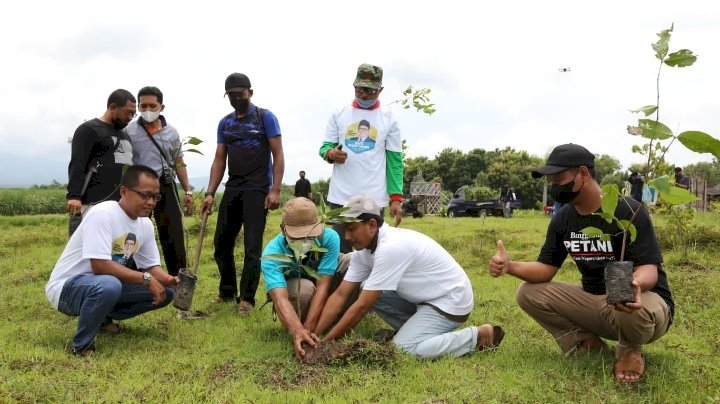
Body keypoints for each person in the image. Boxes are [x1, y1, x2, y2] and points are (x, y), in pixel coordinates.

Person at [488, 143, 674, 383]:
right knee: (528, 293)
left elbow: (649, 269)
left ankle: (630, 350)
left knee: (623, 293)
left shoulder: (628, 210)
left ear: (583, 174)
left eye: (559, 179)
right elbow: (546, 269)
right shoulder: (563, 217)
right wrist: (509, 267)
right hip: (596, 301)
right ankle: (585, 343)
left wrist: (633, 283)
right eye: (551, 182)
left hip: (645, 306)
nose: (554, 187)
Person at [315, 195, 505, 360]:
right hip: (424, 299)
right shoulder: (363, 252)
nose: (346, 236)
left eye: (351, 228)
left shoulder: (390, 248)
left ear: (372, 225)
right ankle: (415, 331)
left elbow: (361, 306)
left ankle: (477, 336)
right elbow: (340, 295)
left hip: (450, 302)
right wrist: (314, 335)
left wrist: (326, 344)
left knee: (403, 349)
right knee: (366, 286)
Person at [45, 165, 179, 356]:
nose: (151, 202)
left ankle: (102, 319)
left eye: (155, 197)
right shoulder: (103, 214)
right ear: (124, 191)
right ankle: (82, 346)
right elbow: (99, 266)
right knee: (109, 284)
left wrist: (167, 280)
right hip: (67, 288)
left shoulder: (145, 224)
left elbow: (150, 266)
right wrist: (147, 279)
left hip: (103, 286)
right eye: (144, 195)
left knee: (166, 292)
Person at [201, 72, 285, 315]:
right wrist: (209, 193)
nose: (238, 98)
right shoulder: (225, 123)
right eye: (232, 95)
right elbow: (219, 159)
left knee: (252, 247)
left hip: (258, 189)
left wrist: (275, 189)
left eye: (241, 94)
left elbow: (277, 154)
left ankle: (246, 298)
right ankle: (227, 291)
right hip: (233, 188)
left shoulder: (264, 118)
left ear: (250, 92)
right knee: (221, 243)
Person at [319, 63, 404, 253]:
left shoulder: (390, 118)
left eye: (370, 90)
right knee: (341, 250)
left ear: (380, 89)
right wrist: (332, 154)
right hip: (342, 197)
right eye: (360, 89)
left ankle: (368, 284)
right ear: (354, 86)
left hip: (373, 198)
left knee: (372, 251)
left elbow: (394, 161)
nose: (364, 94)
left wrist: (396, 198)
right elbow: (325, 147)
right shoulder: (339, 113)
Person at [261, 197, 351, 358]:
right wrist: (298, 330)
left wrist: (309, 328)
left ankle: (335, 320)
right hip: (296, 292)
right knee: (305, 289)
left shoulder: (329, 238)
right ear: (283, 229)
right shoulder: (271, 254)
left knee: (351, 261)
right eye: (297, 236)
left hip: (322, 286)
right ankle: (298, 328)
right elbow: (280, 298)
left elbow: (323, 285)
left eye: (309, 235)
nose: (304, 241)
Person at [126, 86, 194, 277]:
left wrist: (187, 191)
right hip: (138, 189)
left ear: (161, 107)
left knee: (173, 235)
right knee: (133, 233)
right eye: (143, 106)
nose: (147, 110)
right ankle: (131, 278)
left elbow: (179, 162)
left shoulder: (171, 132)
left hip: (166, 186)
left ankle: (178, 279)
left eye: (152, 106)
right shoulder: (129, 131)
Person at [66, 89, 136, 237]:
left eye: (133, 114)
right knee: (86, 250)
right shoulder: (89, 130)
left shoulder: (125, 135)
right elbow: (78, 164)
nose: (130, 117)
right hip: (92, 204)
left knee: (114, 251)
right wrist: (74, 196)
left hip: (120, 205)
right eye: (128, 112)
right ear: (113, 108)